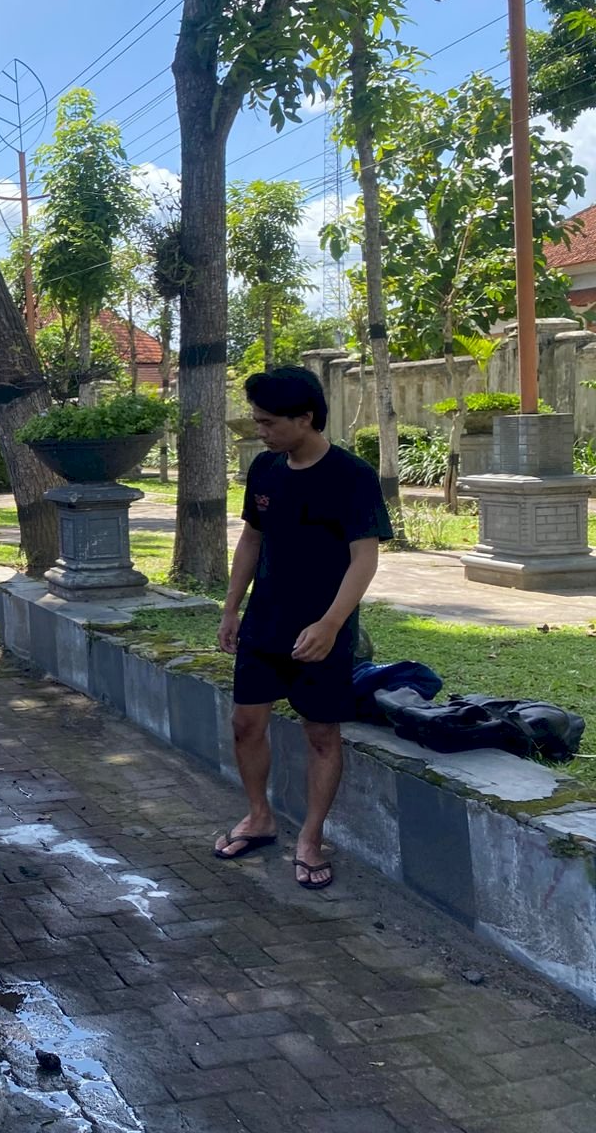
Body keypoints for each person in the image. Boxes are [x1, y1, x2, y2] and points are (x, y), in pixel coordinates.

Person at [215, 366, 393, 891]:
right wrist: (231, 609)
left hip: (323, 631)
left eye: (268, 422)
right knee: (245, 724)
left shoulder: (351, 476)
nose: (260, 432)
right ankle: (259, 816)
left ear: (305, 418)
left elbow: (365, 559)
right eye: (257, 421)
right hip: (265, 624)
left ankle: (311, 838)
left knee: (320, 734)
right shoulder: (266, 469)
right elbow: (252, 539)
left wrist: (331, 623)